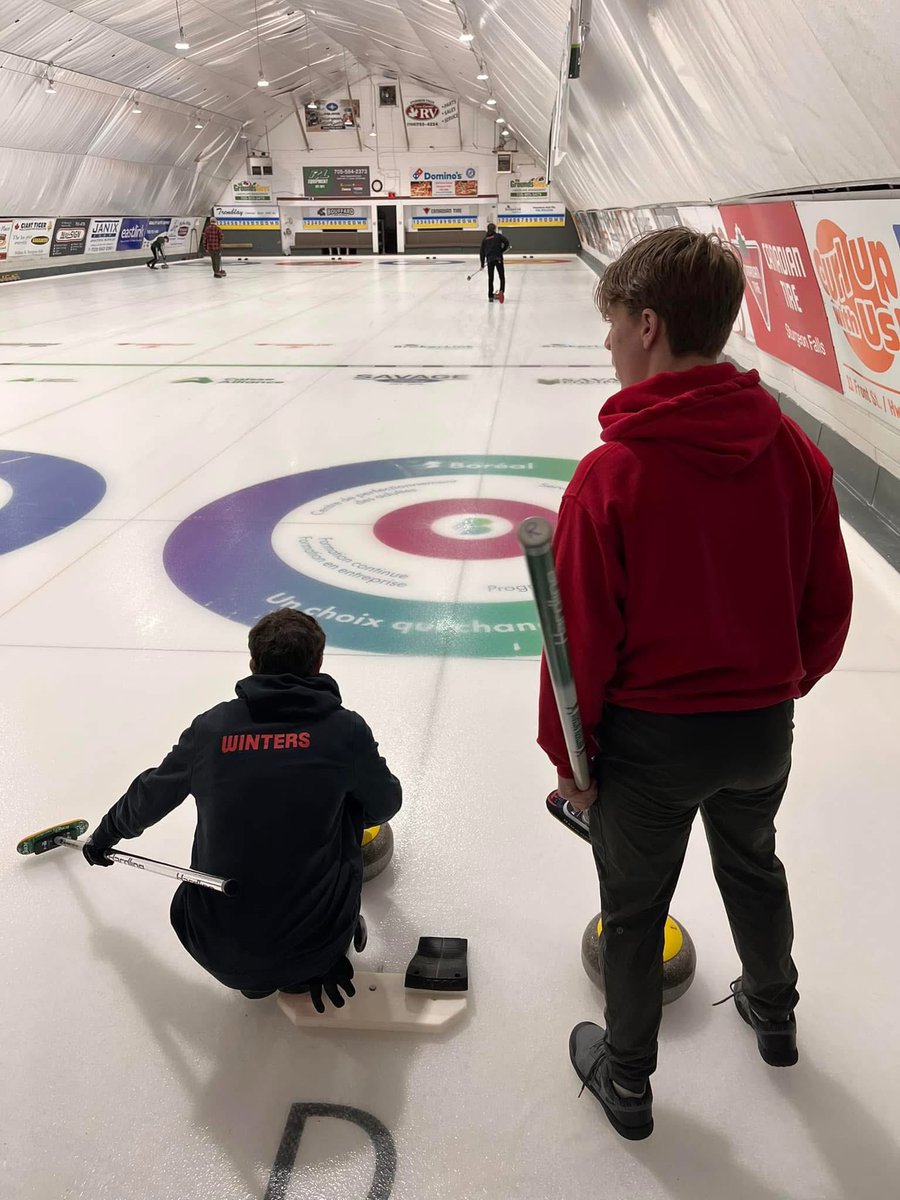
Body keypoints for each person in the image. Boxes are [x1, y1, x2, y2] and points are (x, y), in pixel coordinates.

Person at [539, 228, 852, 1140]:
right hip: (760, 732)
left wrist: (571, 759)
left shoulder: (613, 475)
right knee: (753, 865)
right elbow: (825, 603)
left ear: (648, 325)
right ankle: (775, 1011)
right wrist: (778, 687)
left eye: (612, 327)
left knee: (633, 911)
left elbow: (577, 645)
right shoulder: (794, 452)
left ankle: (628, 1078)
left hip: (652, 746)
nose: (605, 346)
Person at [83, 609, 402, 1009]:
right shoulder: (344, 731)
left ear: (253, 664)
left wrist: (105, 835)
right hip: (314, 946)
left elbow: (149, 796)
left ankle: (253, 979)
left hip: (216, 948)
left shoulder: (211, 729)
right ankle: (306, 966)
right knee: (350, 808)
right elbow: (386, 803)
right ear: (318, 663)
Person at [480, 222, 510, 302]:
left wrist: (482, 264)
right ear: (494, 229)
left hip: (490, 260)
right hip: (498, 259)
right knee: (502, 277)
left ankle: (490, 296)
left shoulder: (485, 239)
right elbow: (507, 242)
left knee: (491, 278)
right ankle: (501, 292)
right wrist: (502, 251)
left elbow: (482, 252)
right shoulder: (498, 236)